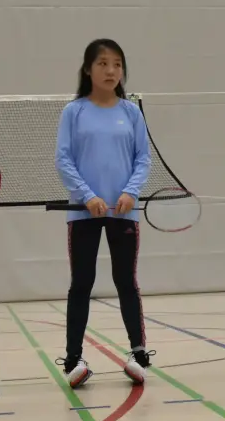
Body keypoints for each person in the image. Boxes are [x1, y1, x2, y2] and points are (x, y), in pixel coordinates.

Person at [54, 39, 154, 387]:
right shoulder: (74, 111)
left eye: (117, 64)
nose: (111, 70)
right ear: (88, 70)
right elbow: (63, 159)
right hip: (84, 213)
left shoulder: (131, 112)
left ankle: (139, 352)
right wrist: (88, 196)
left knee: (126, 281)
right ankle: (71, 359)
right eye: (103, 64)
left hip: (124, 213)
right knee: (81, 283)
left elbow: (143, 158)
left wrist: (130, 191)